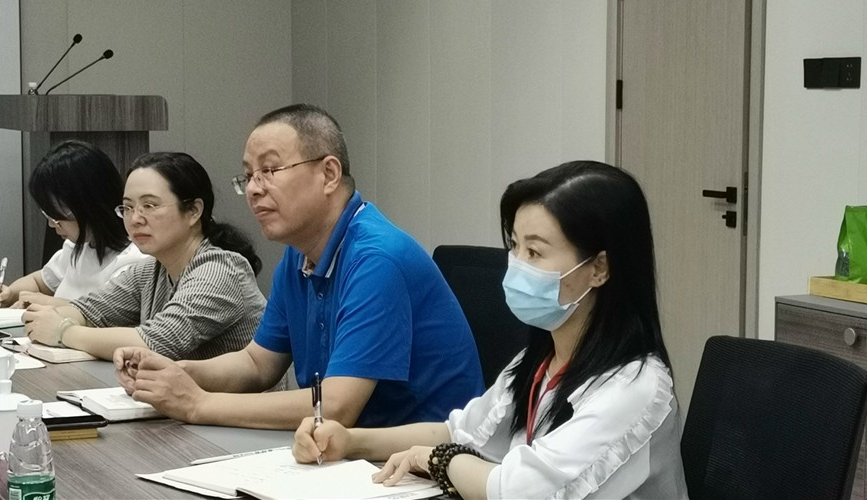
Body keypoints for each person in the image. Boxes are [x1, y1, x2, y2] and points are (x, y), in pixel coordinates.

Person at [292, 161, 686, 500]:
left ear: (598, 268)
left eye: (535, 252)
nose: (516, 264)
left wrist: (438, 460)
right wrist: (350, 440)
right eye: (515, 246)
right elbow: (459, 431)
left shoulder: (635, 386)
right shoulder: (540, 361)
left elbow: (520, 490)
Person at [114, 104, 482, 429]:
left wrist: (198, 404)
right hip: (344, 450)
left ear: (329, 174)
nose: (254, 189)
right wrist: (175, 372)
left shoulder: (376, 259)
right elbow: (257, 364)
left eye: (269, 170)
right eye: (248, 175)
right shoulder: (299, 254)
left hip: (419, 462)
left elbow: (336, 406)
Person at [22, 151, 267, 361]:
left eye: (149, 206)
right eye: (128, 208)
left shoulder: (220, 270)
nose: (135, 219)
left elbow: (157, 342)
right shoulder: (151, 270)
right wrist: (47, 318)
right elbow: (90, 311)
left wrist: (63, 331)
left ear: (193, 211)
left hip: (238, 402)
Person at [0, 140, 150, 308]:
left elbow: (105, 314)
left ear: (88, 205)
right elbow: (39, 282)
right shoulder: (79, 247)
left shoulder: (134, 261)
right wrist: (8, 294)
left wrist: (47, 302)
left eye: (57, 215)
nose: (52, 225)